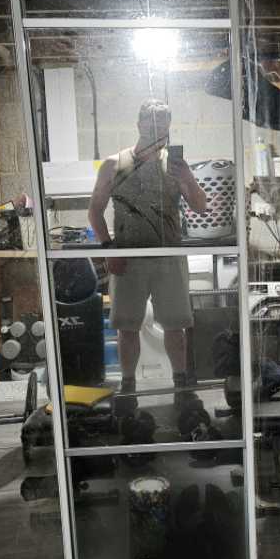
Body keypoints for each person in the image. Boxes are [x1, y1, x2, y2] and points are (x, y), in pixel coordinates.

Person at [88, 98, 207, 410]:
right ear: (139, 123)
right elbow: (95, 212)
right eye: (151, 121)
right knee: (127, 327)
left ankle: (181, 386)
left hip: (169, 258)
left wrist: (187, 179)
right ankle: (128, 387)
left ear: (168, 127)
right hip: (128, 261)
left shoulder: (176, 165)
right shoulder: (114, 164)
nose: (157, 127)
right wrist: (107, 249)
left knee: (176, 327)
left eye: (163, 122)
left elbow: (200, 206)